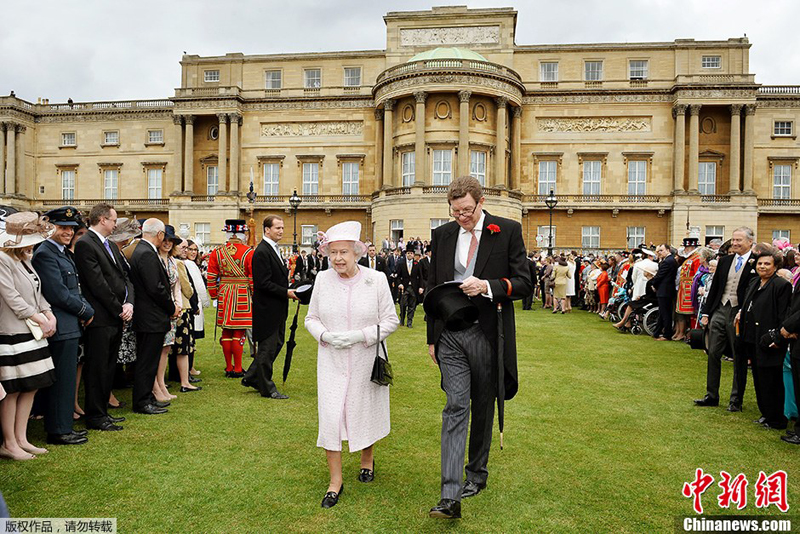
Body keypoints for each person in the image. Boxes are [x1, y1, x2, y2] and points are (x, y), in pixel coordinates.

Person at [425, 176, 532, 519]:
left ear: (481, 202)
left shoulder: (508, 230)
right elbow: (433, 288)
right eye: (456, 212)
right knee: (455, 406)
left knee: (482, 407)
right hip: (450, 336)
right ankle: (450, 495)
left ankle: (477, 473)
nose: (462, 218)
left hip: (486, 332)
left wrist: (487, 285)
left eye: (467, 211)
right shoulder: (441, 235)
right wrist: (432, 337)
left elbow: (524, 283)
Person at [304, 221, 399, 509]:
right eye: (332, 253)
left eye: (343, 252)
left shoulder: (376, 280)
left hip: (364, 359)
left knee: (362, 412)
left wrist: (361, 336)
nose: (338, 259)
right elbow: (311, 318)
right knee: (331, 418)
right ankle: (335, 481)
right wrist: (325, 335)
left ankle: (367, 460)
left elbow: (391, 320)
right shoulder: (322, 280)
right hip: (331, 360)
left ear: (357, 252)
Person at [32, 206, 94, 446]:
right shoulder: (46, 252)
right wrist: (85, 311)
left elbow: (75, 289)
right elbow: (58, 293)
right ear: (51, 227)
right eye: (62, 227)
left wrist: (85, 309)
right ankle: (59, 429)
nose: (68, 232)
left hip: (70, 322)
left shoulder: (62, 252)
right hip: (61, 323)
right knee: (63, 379)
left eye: (71, 228)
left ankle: (63, 425)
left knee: (67, 378)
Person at [0, 212, 58, 459]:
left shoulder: (25, 259)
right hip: (12, 332)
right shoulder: (3, 260)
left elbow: (36, 291)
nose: (33, 244)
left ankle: (22, 438)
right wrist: (39, 317)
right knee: (13, 389)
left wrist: (49, 312)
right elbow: (12, 297)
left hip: (31, 332)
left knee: (31, 387)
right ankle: (9, 443)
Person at [74, 203, 134, 432]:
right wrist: (119, 307)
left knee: (109, 367)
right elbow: (96, 283)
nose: (115, 224)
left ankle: (103, 413)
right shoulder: (85, 244)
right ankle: (95, 415)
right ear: (102, 220)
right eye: (113, 220)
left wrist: (129, 302)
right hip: (100, 317)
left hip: (116, 315)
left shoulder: (109, 244)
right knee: (97, 368)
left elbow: (125, 276)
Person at [695, 227, 757, 412]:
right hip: (720, 310)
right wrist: (706, 313)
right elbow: (715, 287)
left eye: (739, 240)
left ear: (750, 242)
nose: (735, 243)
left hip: (739, 312)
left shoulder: (755, 263)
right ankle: (711, 395)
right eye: (733, 240)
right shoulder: (725, 261)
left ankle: (735, 399)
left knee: (739, 356)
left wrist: (745, 311)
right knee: (713, 352)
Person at [736, 247, 791, 430]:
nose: (763, 266)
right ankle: (765, 414)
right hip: (752, 338)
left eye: (767, 264)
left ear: (775, 266)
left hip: (770, 340)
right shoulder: (754, 282)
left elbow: (783, 315)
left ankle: (776, 419)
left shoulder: (781, 285)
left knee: (771, 381)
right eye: (760, 263)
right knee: (759, 379)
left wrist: (778, 338)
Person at [128, 219, 176, 415]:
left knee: (149, 361)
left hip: (149, 316)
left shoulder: (143, 251)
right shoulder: (146, 253)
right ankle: (142, 401)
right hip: (151, 317)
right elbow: (155, 288)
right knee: (147, 362)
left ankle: (147, 397)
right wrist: (171, 306)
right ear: (159, 234)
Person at [243, 215, 294, 399]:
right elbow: (263, 283)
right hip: (267, 309)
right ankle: (267, 388)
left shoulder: (273, 248)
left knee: (277, 343)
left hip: (277, 307)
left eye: (282, 227)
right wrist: (286, 292)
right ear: (266, 230)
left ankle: (251, 376)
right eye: (277, 228)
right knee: (268, 348)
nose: (281, 231)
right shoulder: (262, 251)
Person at [207, 220, 254, 378]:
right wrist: (254, 294)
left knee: (226, 331)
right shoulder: (249, 252)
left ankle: (229, 367)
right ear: (243, 233)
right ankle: (238, 368)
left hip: (224, 292)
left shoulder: (217, 252)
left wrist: (214, 295)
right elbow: (252, 277)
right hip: (241, 293)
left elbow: (212, 276)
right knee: (239, 331)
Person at [171, 240, 199, 393]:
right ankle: (184, 381)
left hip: (176, 306)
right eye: (183, 247)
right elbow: (187, 287)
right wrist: (193, 298)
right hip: (183, 306)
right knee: (183, 346)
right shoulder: (179, 263)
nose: (185, 250)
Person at [184, 239, 210, 376]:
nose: (193, 252)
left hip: (192, 302)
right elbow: (199, 286)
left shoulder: (189, 263)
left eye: (195, 250)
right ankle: (190, 367)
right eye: (190, 249)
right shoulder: (189, 264)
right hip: (194, 303)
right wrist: (205, 302)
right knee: (191, 338)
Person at [674, 237, 702, 341]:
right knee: (680, 312)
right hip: (683, 288)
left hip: (689, 289)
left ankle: (684, 333)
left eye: (686, 247)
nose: (685, 249)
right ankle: (680, 332)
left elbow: (697, 274)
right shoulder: (690, 258)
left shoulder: (696, 258)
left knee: (688, 313)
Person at [650, 244, 678, 341]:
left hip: (665, 290)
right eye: (658, 251)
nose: (659, 253)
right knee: (663, 313)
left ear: (668, 250)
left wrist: (653, 283)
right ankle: (657, 332)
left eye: (661, 250)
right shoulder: (668, 260)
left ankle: (667, 334)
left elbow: (660, 275)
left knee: (665, 313)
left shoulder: (668, 261)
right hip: (665, 289)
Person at [396, 248, 423, 328]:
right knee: (403, 304)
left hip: (414, 288)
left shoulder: (417, 264)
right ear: (406, 254)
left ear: (413, 255)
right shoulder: (401, 264)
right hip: (405, 287)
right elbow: (397, 276)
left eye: (411, 253)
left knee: (412, 306)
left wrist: (421, 287)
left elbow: (420, 277)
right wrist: (400, 284)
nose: (410, 255)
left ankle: (409, 322)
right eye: (408, 253)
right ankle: (402, 319)